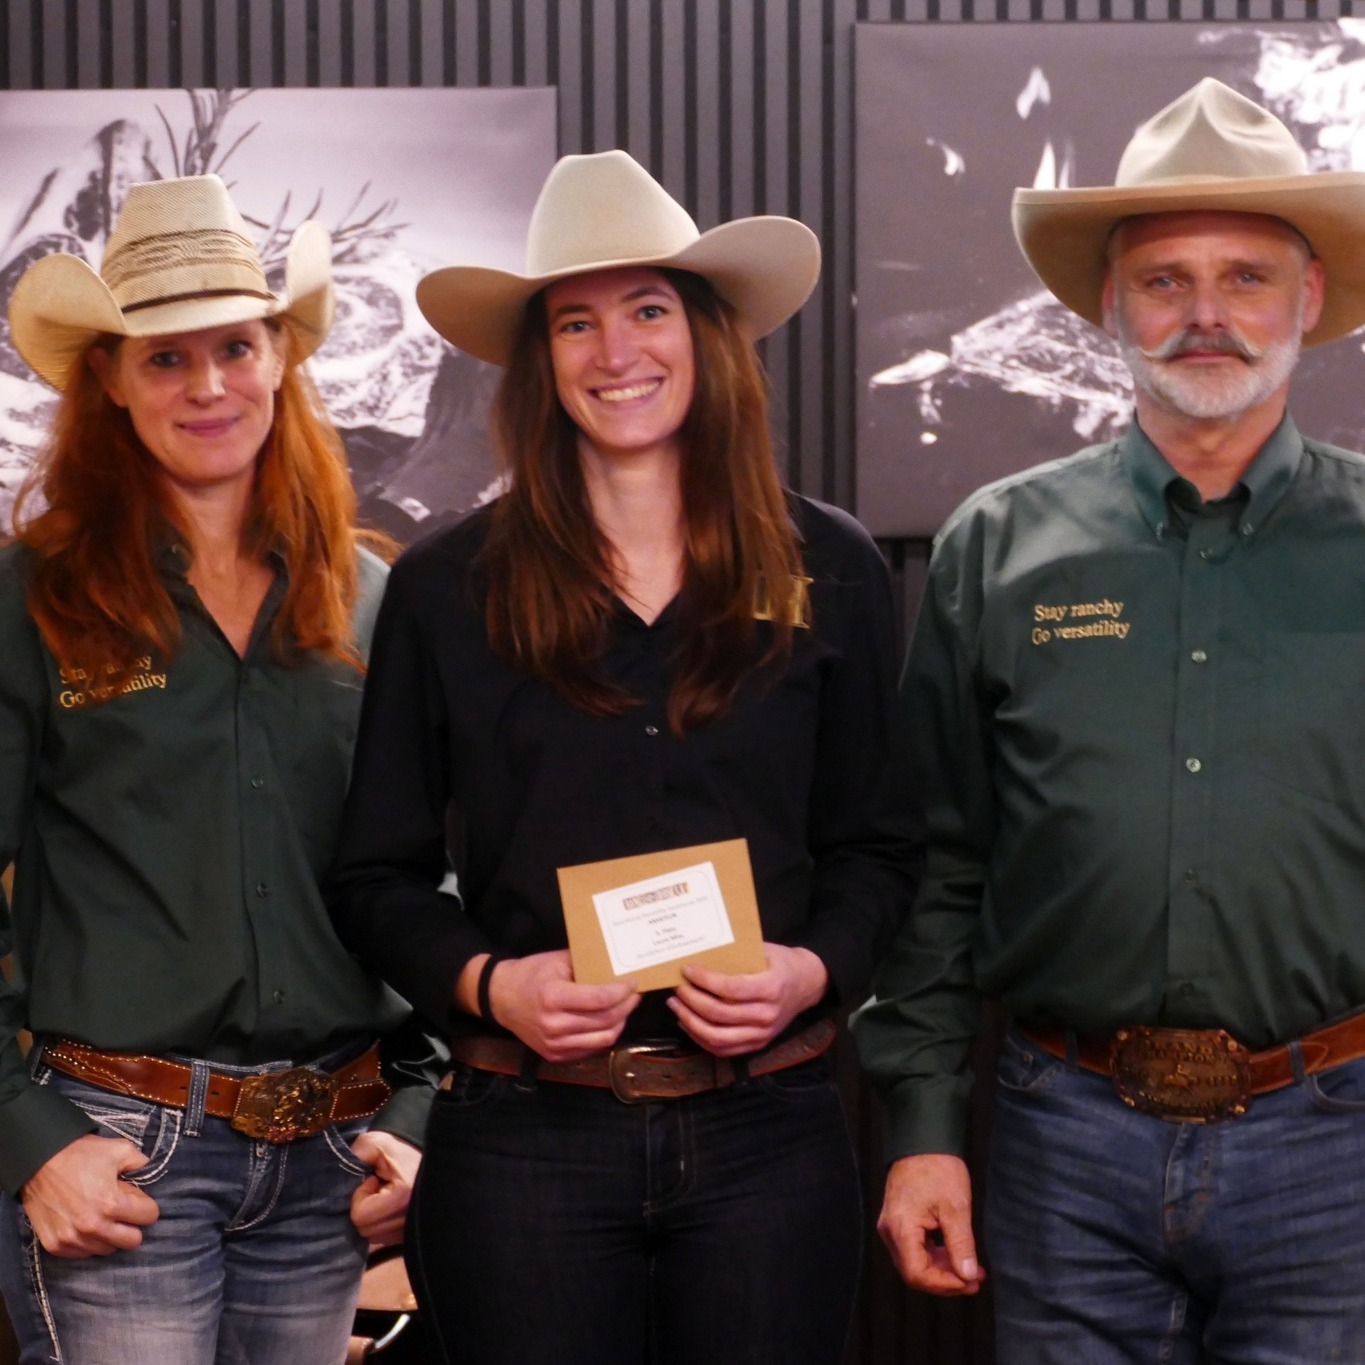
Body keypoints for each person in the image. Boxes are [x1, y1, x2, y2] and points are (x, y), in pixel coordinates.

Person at [326, 149, 913, 1365]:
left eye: (649, 310)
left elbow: (879, 848)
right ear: (540, 361)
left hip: (770, 1134)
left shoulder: (835, 564)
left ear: (707, 335)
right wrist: (495, 987)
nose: (615, 353)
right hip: (524, 1141)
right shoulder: (447, 586)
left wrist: (813, 969)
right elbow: (372, 877)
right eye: (575, 323)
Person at [852, 76, 1365, 1360]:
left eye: (1246, 276)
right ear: (1107, 307)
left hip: (1333, 1140)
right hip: (1061, 1137)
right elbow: (939, 864)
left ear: (1307, 300)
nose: (1204, 315)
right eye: (1163, 279)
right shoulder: (999, 545)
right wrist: (921, 1132)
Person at [0, 174, 434, 1365]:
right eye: (163, 358)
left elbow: (432, 875)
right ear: (107, 380)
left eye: (235, 347)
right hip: (120, 1153)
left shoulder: (372, 598)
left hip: (333, 1161)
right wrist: (28, 1137)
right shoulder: (33, 601)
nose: (207, 387)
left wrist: (417, 1104)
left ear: (282, 358)